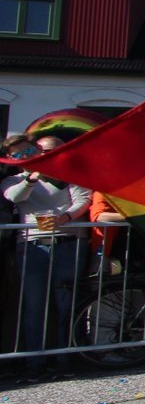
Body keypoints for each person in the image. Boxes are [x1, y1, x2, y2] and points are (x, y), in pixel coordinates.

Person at [1, 137, 91, 378]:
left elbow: (83, 199)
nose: (27, 156)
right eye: (19, 154)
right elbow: (15, 197)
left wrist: (65, 218)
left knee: (66, 304)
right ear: (11, 159)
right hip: (32, 245)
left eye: (30, 150)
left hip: (69, 242)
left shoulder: (67, 175)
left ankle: (65, 360)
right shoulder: (13, 180)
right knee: (34, 306)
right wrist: (32, 178)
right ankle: (35, 363)